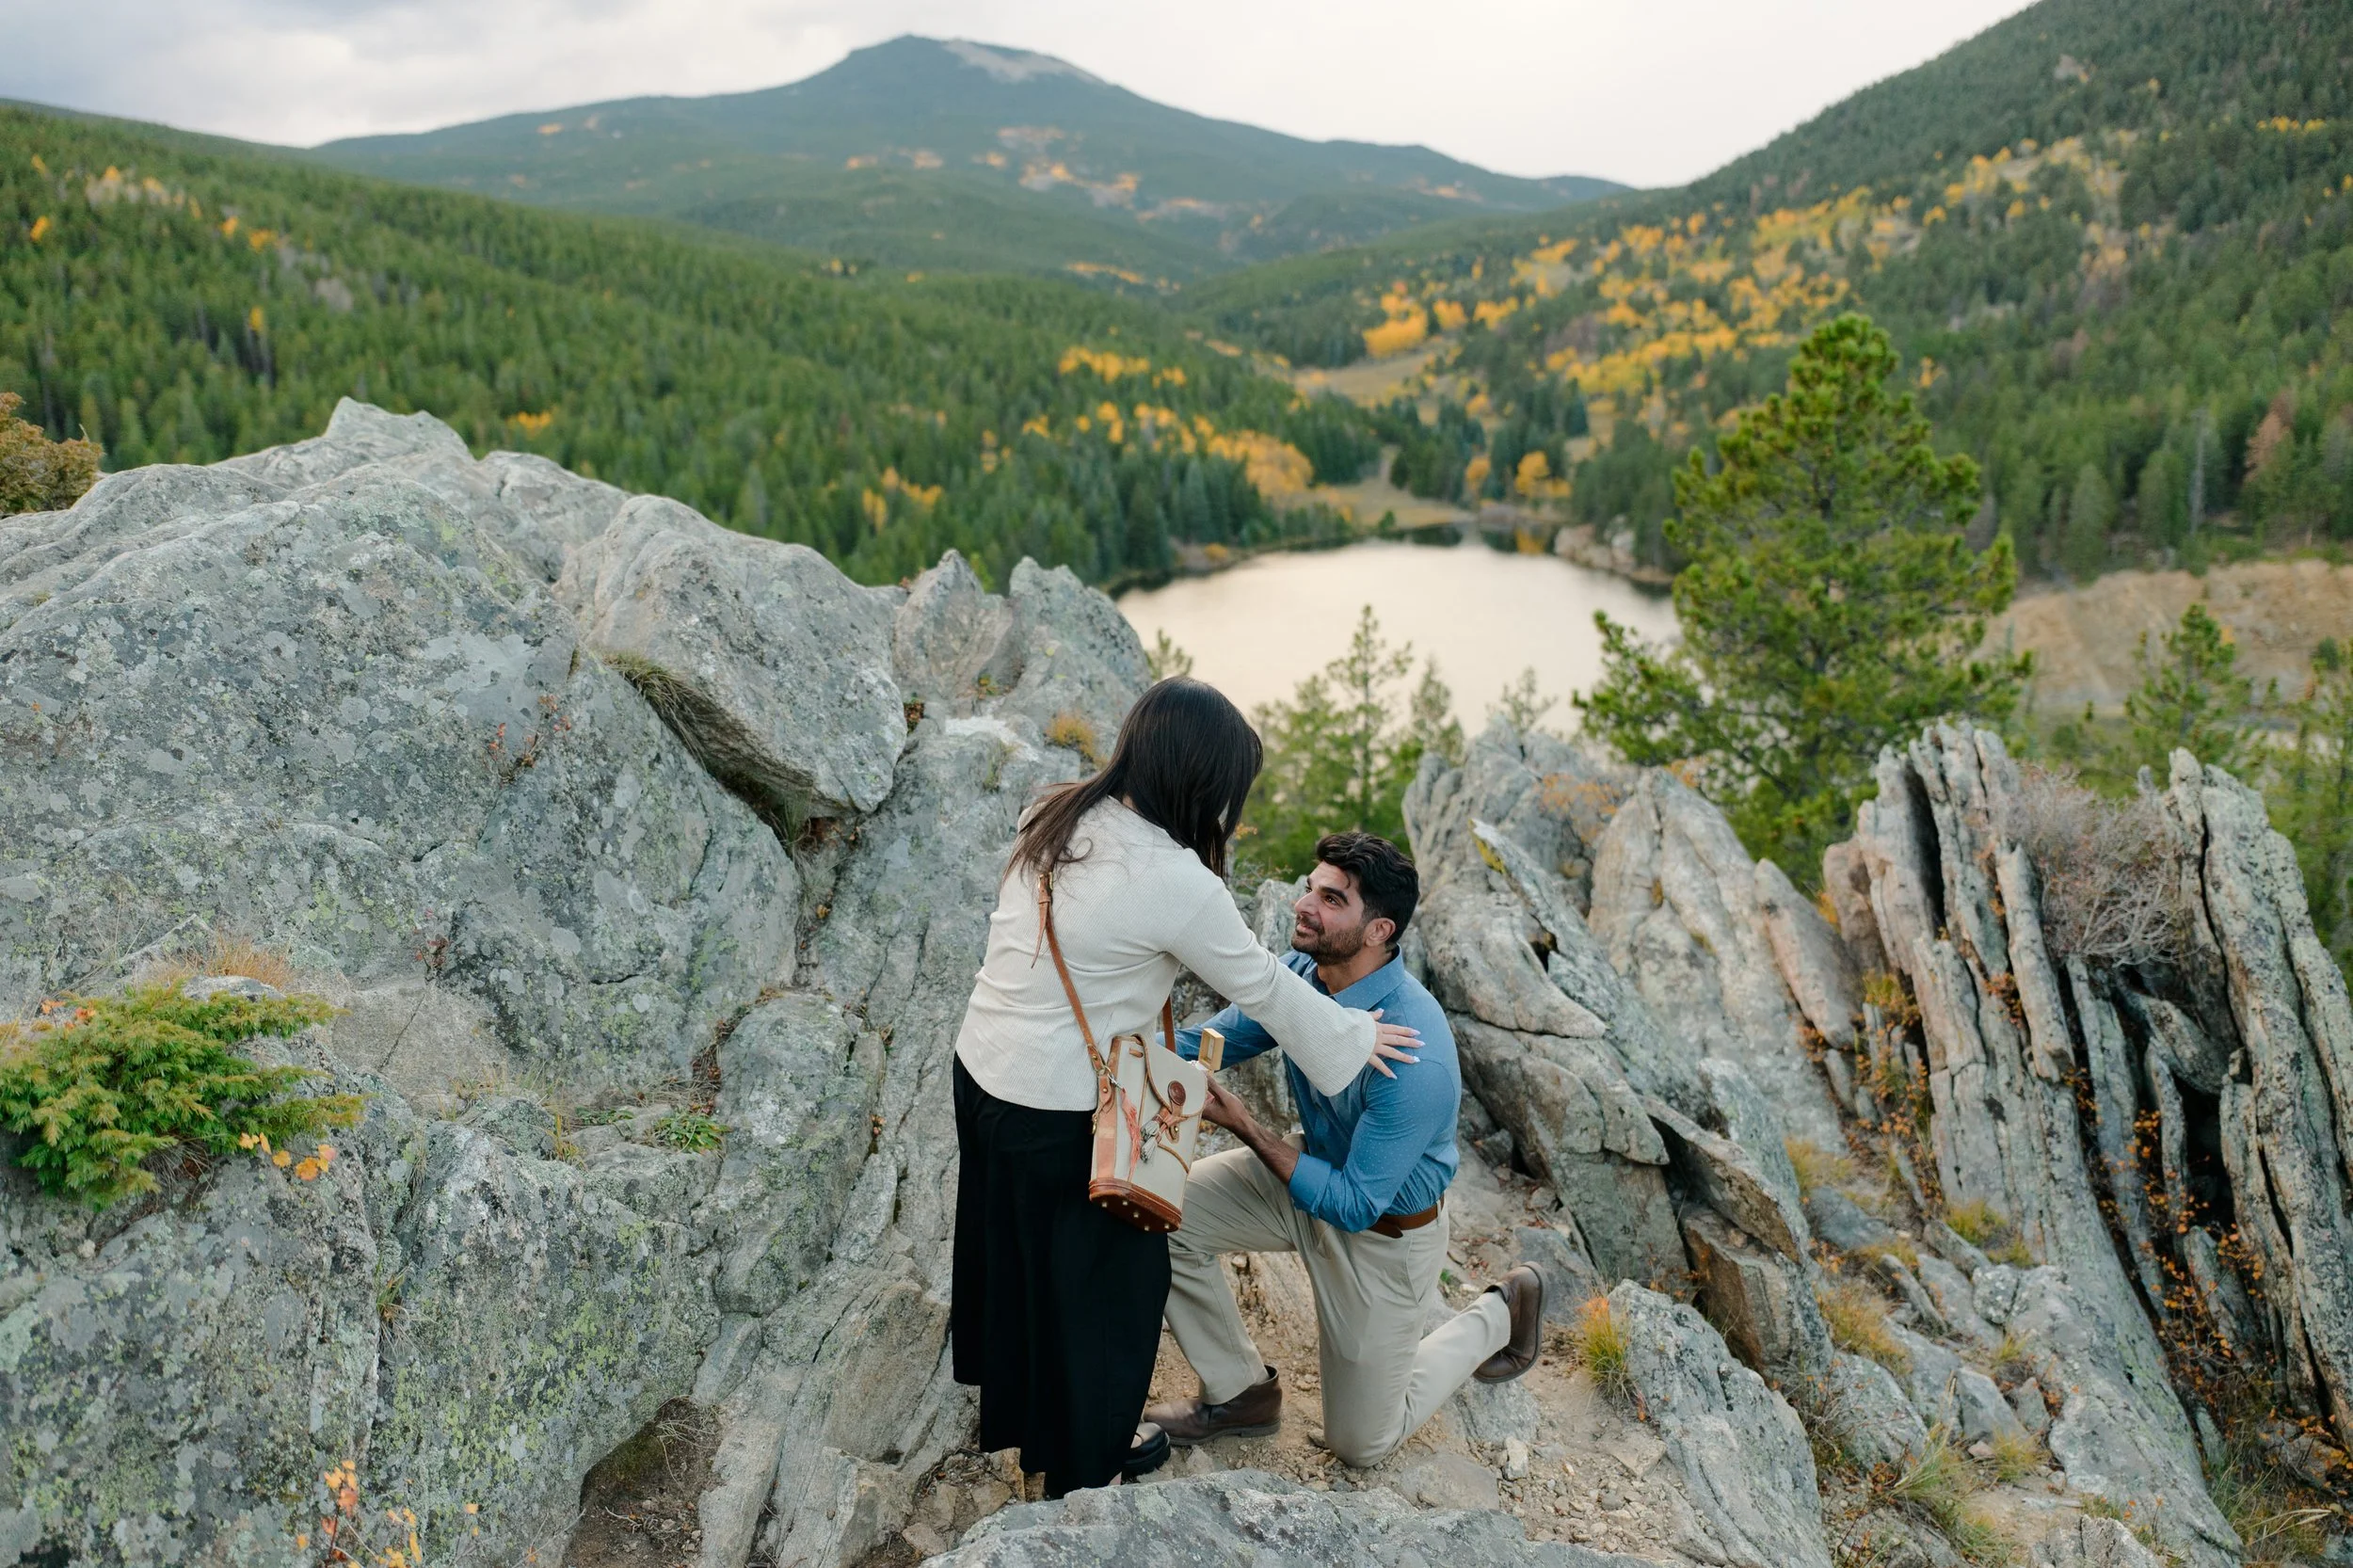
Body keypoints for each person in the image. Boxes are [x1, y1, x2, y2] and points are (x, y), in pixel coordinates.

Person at [949, 680, 1422, 1498]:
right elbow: (1269, 987)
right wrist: (1355, 1032)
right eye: (1229, 794)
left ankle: (1033, 1422)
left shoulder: (1054, 810)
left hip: (985, 1073)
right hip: (1064, 1110)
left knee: (1024, 1264)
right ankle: (1085, 1464)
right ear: (1198, 783)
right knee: (1107, 1294)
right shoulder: (1176, 879)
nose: (1230, 815)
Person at [1145, 831, 1545, 1469]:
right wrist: (1129, 1051)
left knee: (1360, 1444)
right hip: (1306, 1179)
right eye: (1311, 888)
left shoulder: (1417, 1059)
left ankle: (1501, 1311)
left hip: (1380, 1237)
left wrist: (1248, 1127)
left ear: (1378, 930)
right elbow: (1220, 1041)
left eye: (1331, 899)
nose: (1306, 904)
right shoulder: (1303, 972)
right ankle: (1240, 1394)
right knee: (1161, 1213)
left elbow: (1357, 1204)